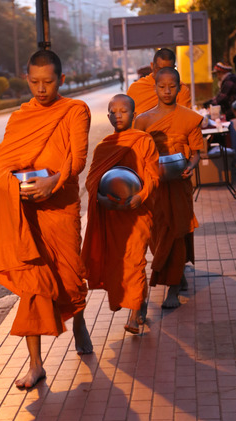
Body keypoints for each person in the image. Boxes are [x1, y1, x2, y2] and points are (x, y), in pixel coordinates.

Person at [0, 49, 93, 389]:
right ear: (26, 78)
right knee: (32, 284)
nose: (41, 89)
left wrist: (53, 182)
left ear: (62, 79)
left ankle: (78, 322)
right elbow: (1, 165)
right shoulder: (20, 117)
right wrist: (13, 187)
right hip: (27, 211)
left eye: (48, 82)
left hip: (60, 207)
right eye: (34, 82)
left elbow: (77, 158)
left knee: (70, 277)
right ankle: (35, 364)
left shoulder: (76, 110)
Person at [82, 94, 159, 334]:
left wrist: (141, 196)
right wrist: (100, 198)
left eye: (123, 111)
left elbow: (153, 175)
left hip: (137, 212)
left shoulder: (144, 141)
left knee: (135, 260)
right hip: (113, 214)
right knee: (118, 261)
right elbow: (92, 180)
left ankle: (134, 315)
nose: (118, 115)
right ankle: (135, 301)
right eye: (113, 111)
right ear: (107, 116)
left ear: (133, 115)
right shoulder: (104, 146)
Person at [134, 67, 203, 309]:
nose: (166, 91)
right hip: (155, 188)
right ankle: (177, 274)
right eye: (162, 86)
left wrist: (191, 166)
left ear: (179, 87)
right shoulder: (143, 120)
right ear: (155, 88)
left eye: (171, 86)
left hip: (180, 184)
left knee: (177, 232)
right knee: (158, 235)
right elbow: (137, 155)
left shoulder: (189, 118)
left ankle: (173, 290)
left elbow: (196, 153)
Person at [127, 48, 191, 116]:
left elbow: (184, 119)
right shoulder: (136, 88)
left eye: (167, 70)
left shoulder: (181, 89)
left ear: (174, 68)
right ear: (152, 66)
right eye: (160, 69)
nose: (163, 74)